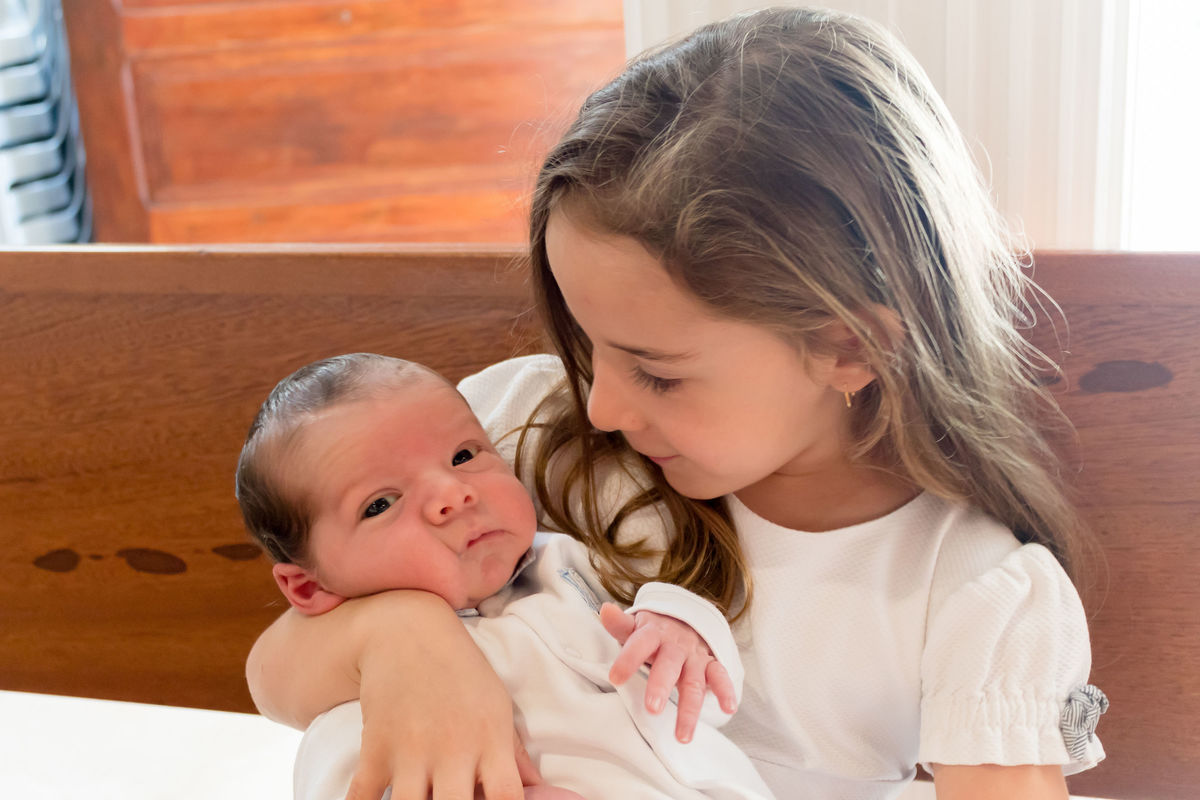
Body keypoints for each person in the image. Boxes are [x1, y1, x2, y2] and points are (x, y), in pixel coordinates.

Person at [246, 7, 1109, 799]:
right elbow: (274, 675)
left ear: (848, 348)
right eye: (587, 347)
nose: (605, 407)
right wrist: (404, 643)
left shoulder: (978, 594)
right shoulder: (514, 436)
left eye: (656, 373)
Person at [235, 353, 774, 800]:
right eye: (380, 504)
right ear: (310, 587)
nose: (453, 494)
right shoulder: (366, 705)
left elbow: (705, 699)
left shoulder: (574, 564)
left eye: (465, 454)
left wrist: (682, 628)